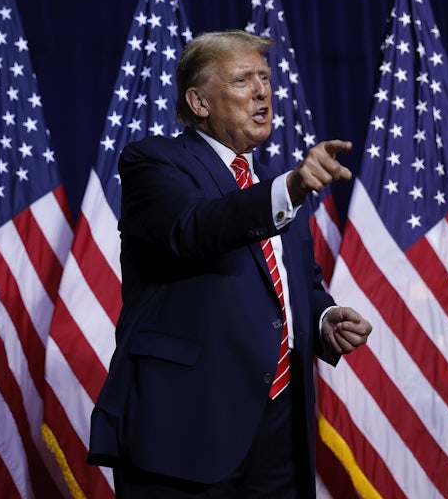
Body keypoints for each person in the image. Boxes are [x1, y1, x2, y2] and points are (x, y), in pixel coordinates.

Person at [87, 30, 372, 498]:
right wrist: (290, 190)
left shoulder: (271, 184)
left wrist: (323, 318)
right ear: (199, 102)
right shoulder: (154, 163)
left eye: (265, 77)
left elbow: (297, 281)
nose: (263, 91)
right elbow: (194, 228)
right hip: (184, 431)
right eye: (243, 80)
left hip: (281, 430)